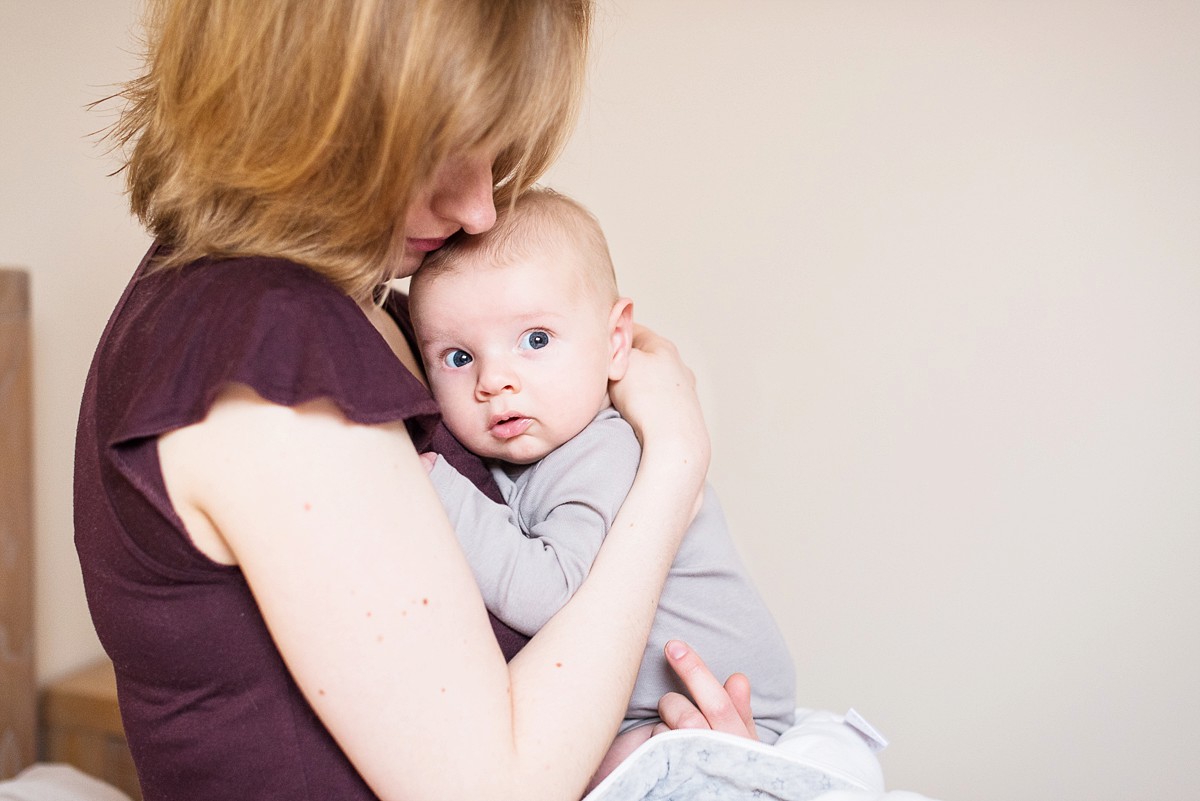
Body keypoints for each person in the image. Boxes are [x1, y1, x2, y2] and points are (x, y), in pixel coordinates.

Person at [73, 2, 763, 800]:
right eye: (436, 154)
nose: (480, 209)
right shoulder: (266, 351)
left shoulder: (358, 303)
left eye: (494, 152)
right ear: (297, 107)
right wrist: (676, 464)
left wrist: (679, 758)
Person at [408, 187, 797, 785]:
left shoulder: (604, 452)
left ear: (615, 341)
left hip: (705, 710)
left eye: (535, 340)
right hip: (640, 713)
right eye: (458, 358)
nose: (495, 381)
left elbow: (552, 595)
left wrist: (440, 489)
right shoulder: (536, 449)